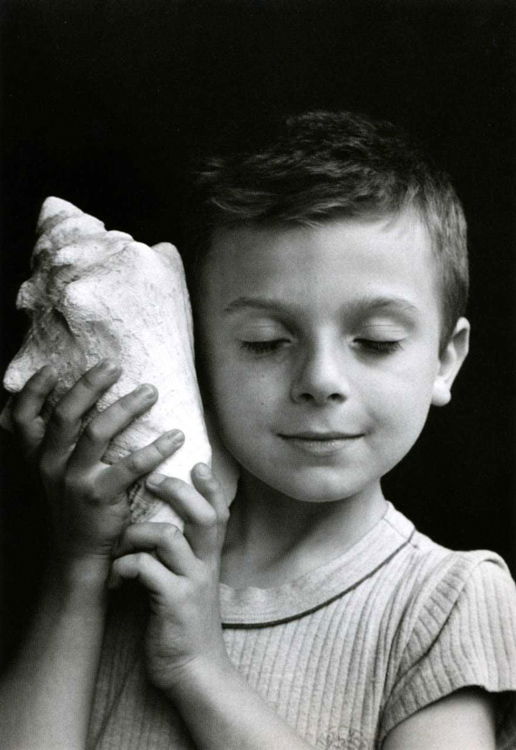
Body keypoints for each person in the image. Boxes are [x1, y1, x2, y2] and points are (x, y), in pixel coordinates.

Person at [0, 111, 515, 750]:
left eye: (376, 343)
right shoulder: (129, 570)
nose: (321, 379)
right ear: (196, 351)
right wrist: (78, 567)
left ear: (444, 360)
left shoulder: (447, 600)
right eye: (266, 342)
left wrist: (200, 670)